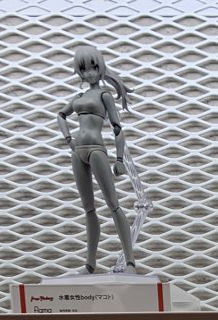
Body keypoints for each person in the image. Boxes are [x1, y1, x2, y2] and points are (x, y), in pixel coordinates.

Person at [57, 43, 136, 273]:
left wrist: (119, 159)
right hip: (78, 152)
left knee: (113, 205)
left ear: (100, 67)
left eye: (93, 67)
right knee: (89, 209)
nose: (90, 73)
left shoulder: (105, 95)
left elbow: (117, 128)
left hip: (96, 149)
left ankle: (130, 261)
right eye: (84, 69)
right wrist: (68, 139)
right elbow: (60, 115)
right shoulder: (79, 96)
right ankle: (90, 264)